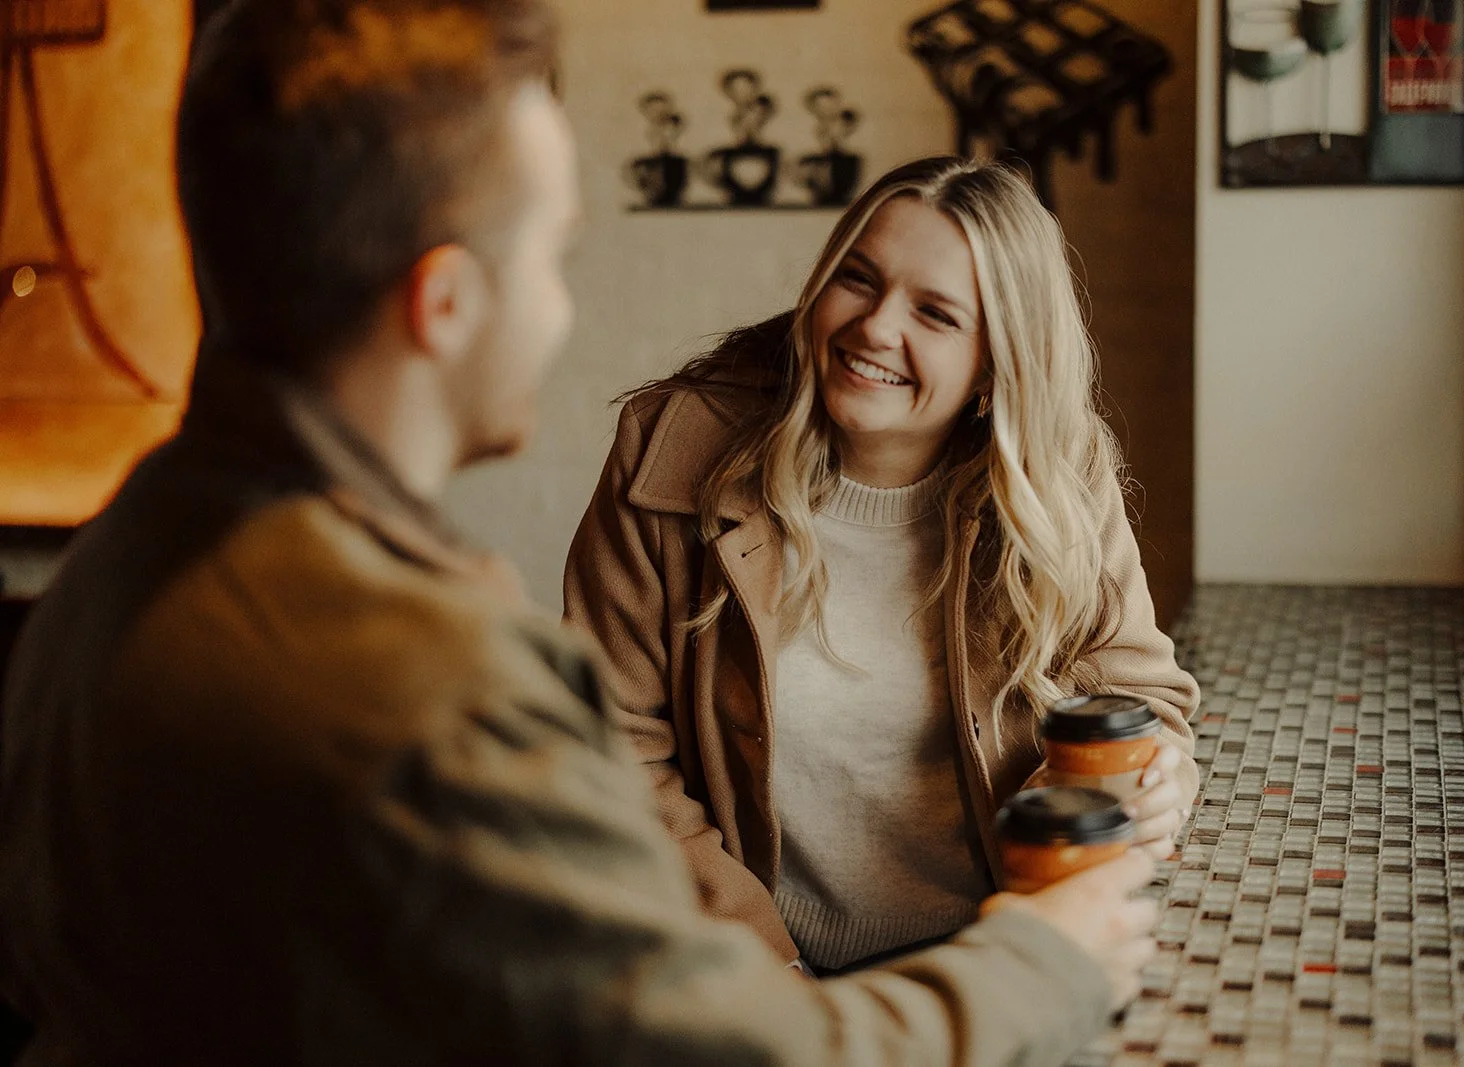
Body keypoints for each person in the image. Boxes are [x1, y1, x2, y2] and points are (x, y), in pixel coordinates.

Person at [0, 3, 1158, 1064]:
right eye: (553, 255)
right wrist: (1048, 959)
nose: (563, 306)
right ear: (445, 305)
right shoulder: (435, 696)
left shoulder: (115, 558)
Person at [565, 155, 1201, 975]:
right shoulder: (671, 453)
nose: (874, 328)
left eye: (935, 313)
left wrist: (1155, 771)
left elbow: (1133, 695)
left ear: (996, 364)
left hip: (991, 964)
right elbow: (610, 749)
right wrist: (765, 976)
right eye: (858, 280)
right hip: (752, 974)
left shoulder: (1056, 474)